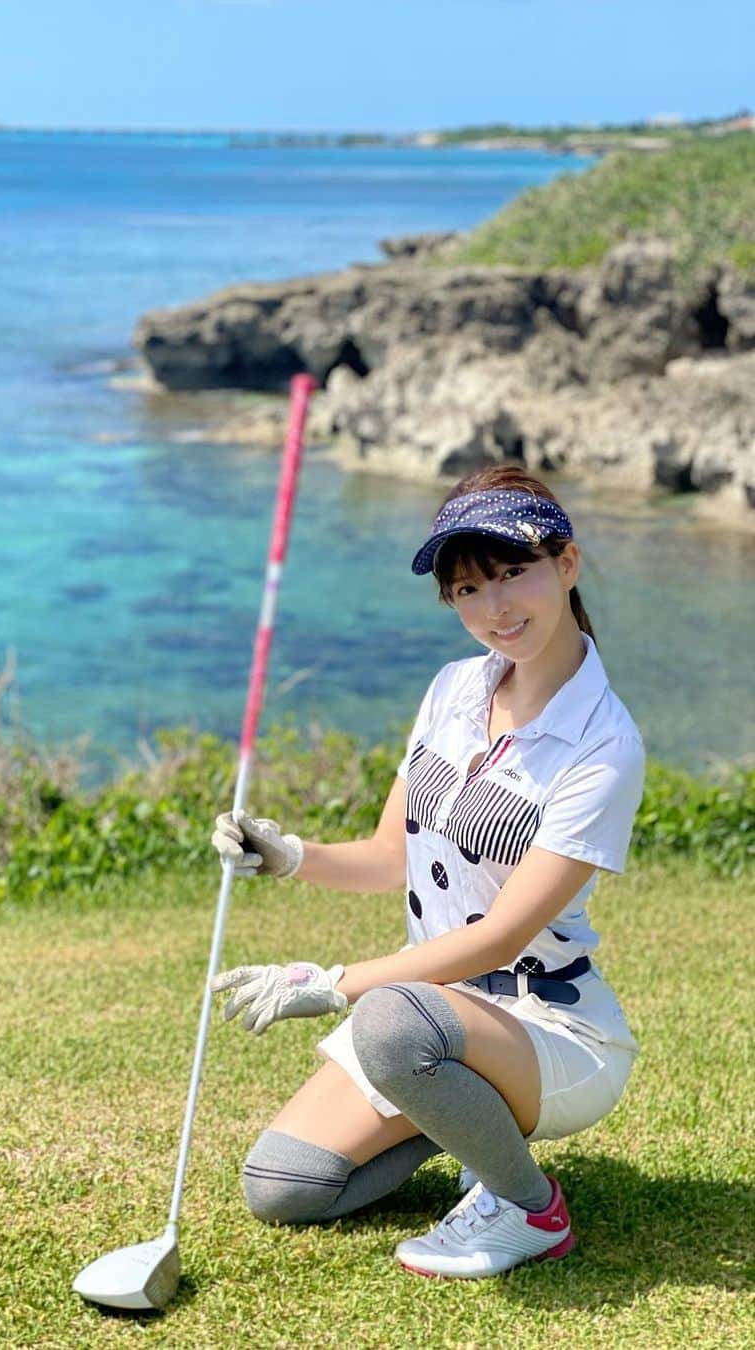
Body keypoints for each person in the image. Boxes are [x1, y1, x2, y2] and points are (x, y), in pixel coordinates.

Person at [210, 465, 645, 1279]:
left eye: (515, 572)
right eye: (469, 590)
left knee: (388, 1022)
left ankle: (528, 1208)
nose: (496, 608)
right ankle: (450, 1110)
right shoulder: (452, 690)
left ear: (567, 563)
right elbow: (390, 857)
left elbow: (503, 936)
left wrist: (336, 981)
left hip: (546, 1028)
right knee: (283, 1186)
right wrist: (290, 855)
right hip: (437, 1021)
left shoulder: (604, 744)